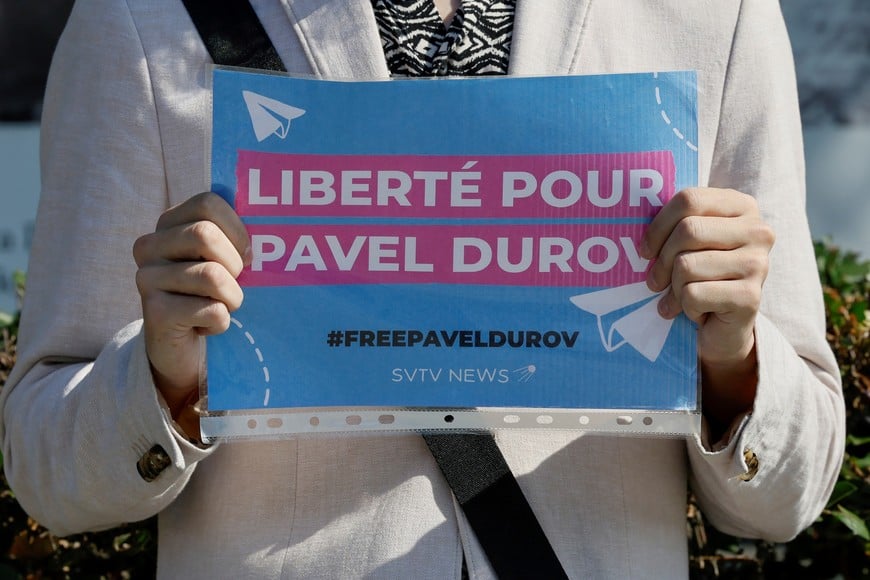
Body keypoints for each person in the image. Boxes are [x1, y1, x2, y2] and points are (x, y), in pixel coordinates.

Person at [0, 0, 845, 578]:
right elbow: (47, 468)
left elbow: (788, 497)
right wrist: (164, 379)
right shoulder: (143, 21)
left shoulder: (713, 17)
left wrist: (731, 358)